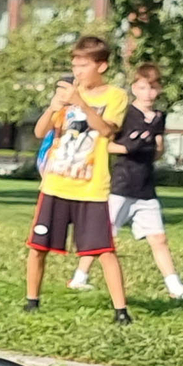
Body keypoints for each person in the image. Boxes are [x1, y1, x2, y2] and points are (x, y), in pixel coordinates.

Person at [70, 60, 183, 300]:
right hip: (120, 184)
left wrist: (157, 147)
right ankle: (79, 278)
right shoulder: (125, 113)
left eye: (153, 88)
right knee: (105, 234)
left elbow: (156, 150)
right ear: (134, 88)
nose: (148, 94)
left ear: (159, 90)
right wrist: (127, 147)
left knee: (159, 238)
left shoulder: (158, 117)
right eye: (143, 88)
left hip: (145, 186)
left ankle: (176, 288)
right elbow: (104, 145)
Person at [24, 33, 131, 324]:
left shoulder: (115, 96)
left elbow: (107, 131)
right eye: (75, 65)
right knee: (37, 247)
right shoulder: (67, 95)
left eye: (84, 65)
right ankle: (32, 301)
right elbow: (40, 132)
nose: (78, 71)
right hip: (56, 183)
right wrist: (54, 106)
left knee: (104, 250)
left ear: (102, 66)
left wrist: (81, 103)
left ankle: (121, 311)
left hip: (91, 187)